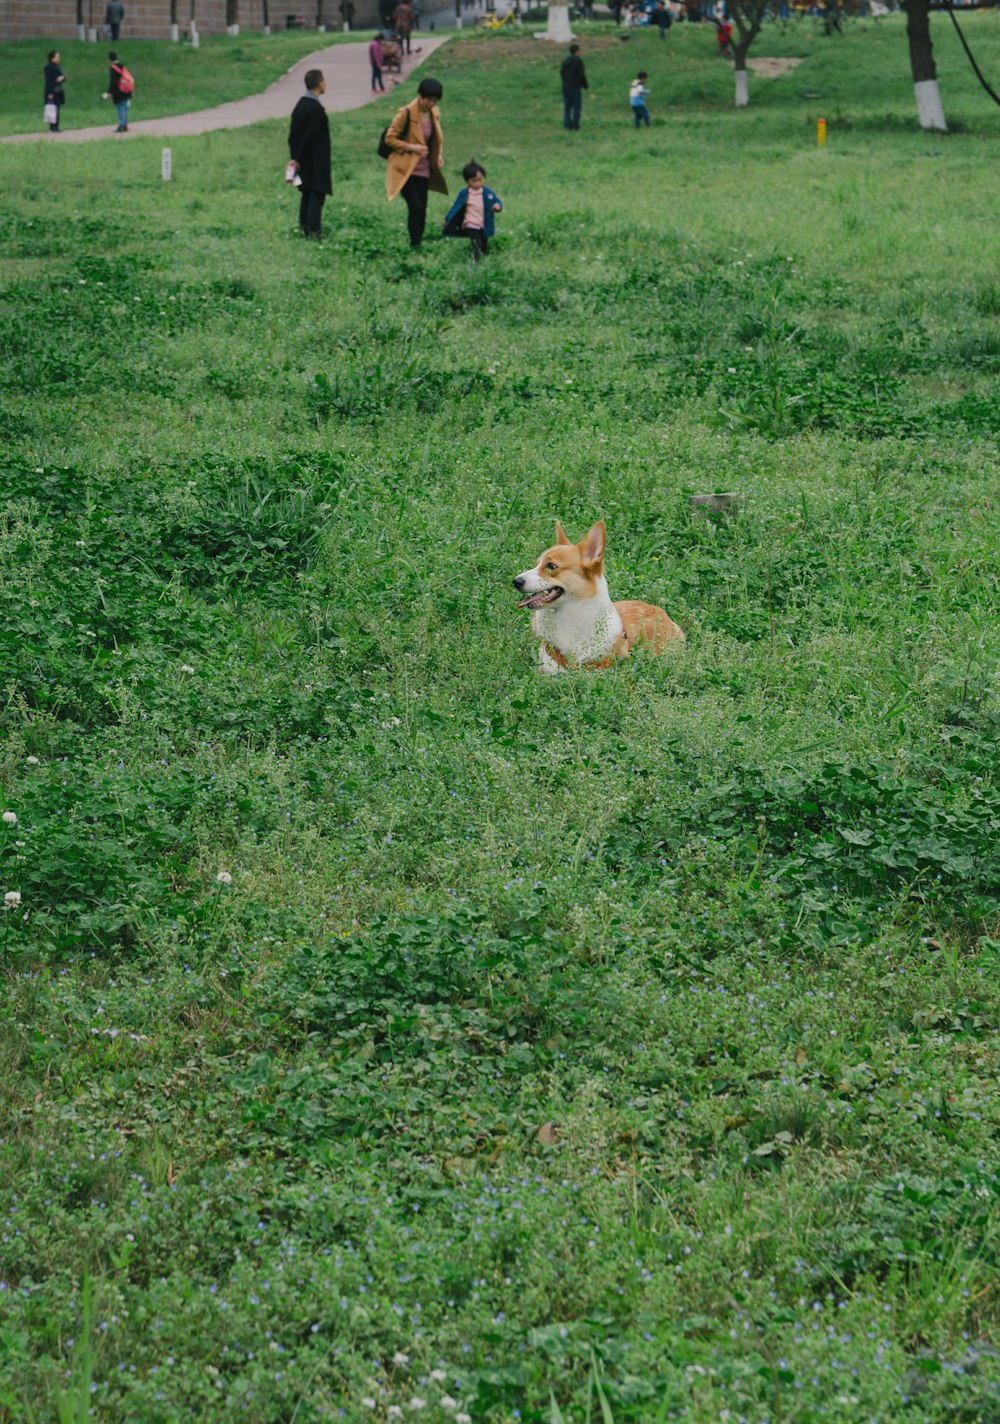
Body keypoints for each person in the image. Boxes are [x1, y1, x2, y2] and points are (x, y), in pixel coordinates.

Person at [384, 76, 447, 249]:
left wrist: (439, 154)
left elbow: (436, 139)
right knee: (415, 206)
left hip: (424, 168)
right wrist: (411, 146)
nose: (431, 103)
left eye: (435, 100)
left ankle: (418, 243)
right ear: (420, 95)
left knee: (423, 208)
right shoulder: (406, 113)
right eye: (429, 100)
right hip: (406, 168)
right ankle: (415, 244)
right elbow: (389, 138)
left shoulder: (435, 113)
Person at [288, 69, 333, 239]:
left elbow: (293, 137)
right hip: (315, 161)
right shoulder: (315, 109)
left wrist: (295, 158)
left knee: (306, 194)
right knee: (316, 196)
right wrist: (299, 159)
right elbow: (310, 137)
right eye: (324, 81)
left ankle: (304, 230)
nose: (325, 84)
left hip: (303, 160)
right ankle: (313, 234)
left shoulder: (300, 105)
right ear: (319, 83)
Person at [442, 161, 502, 262]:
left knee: (484, 241)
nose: (478, 183)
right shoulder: (465, 193)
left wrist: (498, 206)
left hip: (484, 223)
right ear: (467, 181)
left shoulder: (488, 192)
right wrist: (448, 219)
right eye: (474, 181)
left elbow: (496, 201)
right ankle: (477, 260)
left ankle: (484, 256)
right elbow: (456, 207)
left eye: (480, 180)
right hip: (471, 222)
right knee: (476, 241)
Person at [560, 44, 588, 132]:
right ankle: (575, 125)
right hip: (575, 87)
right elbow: (581, 75)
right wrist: (585, 85)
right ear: (577, 51)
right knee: (576, 107)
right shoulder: (578, 61)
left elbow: (562, 73)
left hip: (566, 87)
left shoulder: (565, 61)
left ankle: (568, 124)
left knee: (567, 107)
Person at [103, 52, 132, 132]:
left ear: (109, 59)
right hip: (126, 88)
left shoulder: (113, 68)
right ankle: (125, 125)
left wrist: (109, 92)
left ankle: (121, 126)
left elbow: (113, 81)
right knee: (125, 107)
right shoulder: (122, 65)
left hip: (119, 90)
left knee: (121, 107)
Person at [43, 50, 66, 132]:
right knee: (53, 108)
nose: (58, 58)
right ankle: (53, 126)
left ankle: (56, 125)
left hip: (58, 90)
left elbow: (62, 76)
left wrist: (62, 78)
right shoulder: (48, 67)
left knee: (57, 108)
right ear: (52, 58)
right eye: (57, 57)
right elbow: (49, 80)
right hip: (52, 90)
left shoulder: (57, 66)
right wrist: (50, 93)